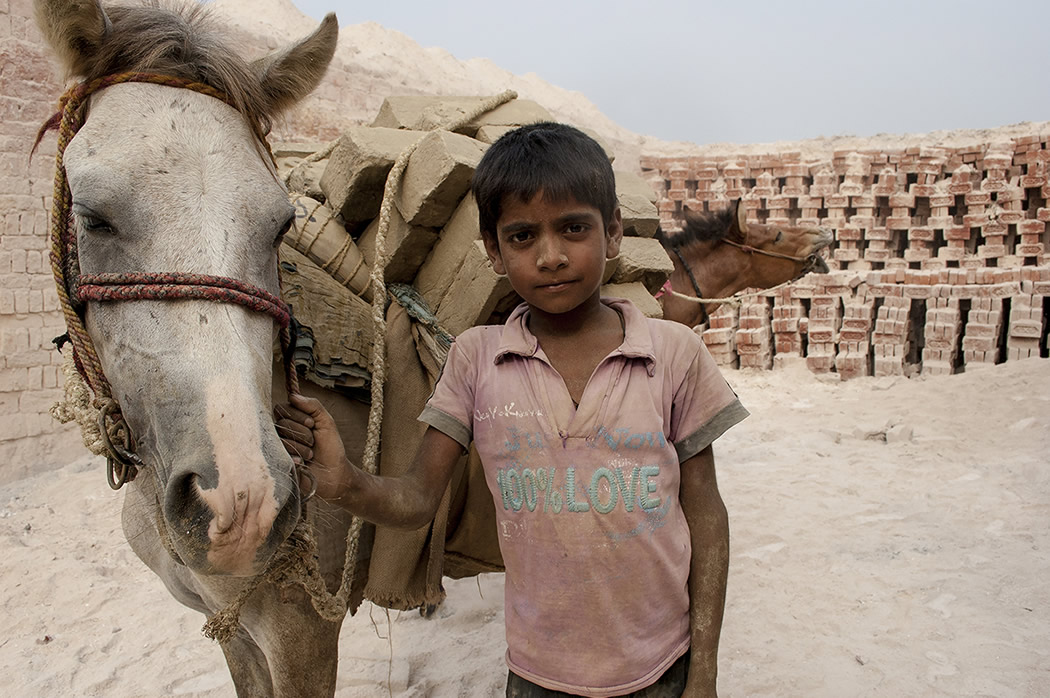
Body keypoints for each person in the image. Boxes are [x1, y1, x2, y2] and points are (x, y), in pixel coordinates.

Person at [275, 122, 748, 697]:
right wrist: (344, 482)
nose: (551, 256)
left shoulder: (675, 353)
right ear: (494, 252)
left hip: (662, 668)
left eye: (574, 228)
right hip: (537, 675)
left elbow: (706, 515)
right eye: (523, 237)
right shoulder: (476, 359)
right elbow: (419, 498)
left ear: (615, 232)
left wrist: (705, 673)